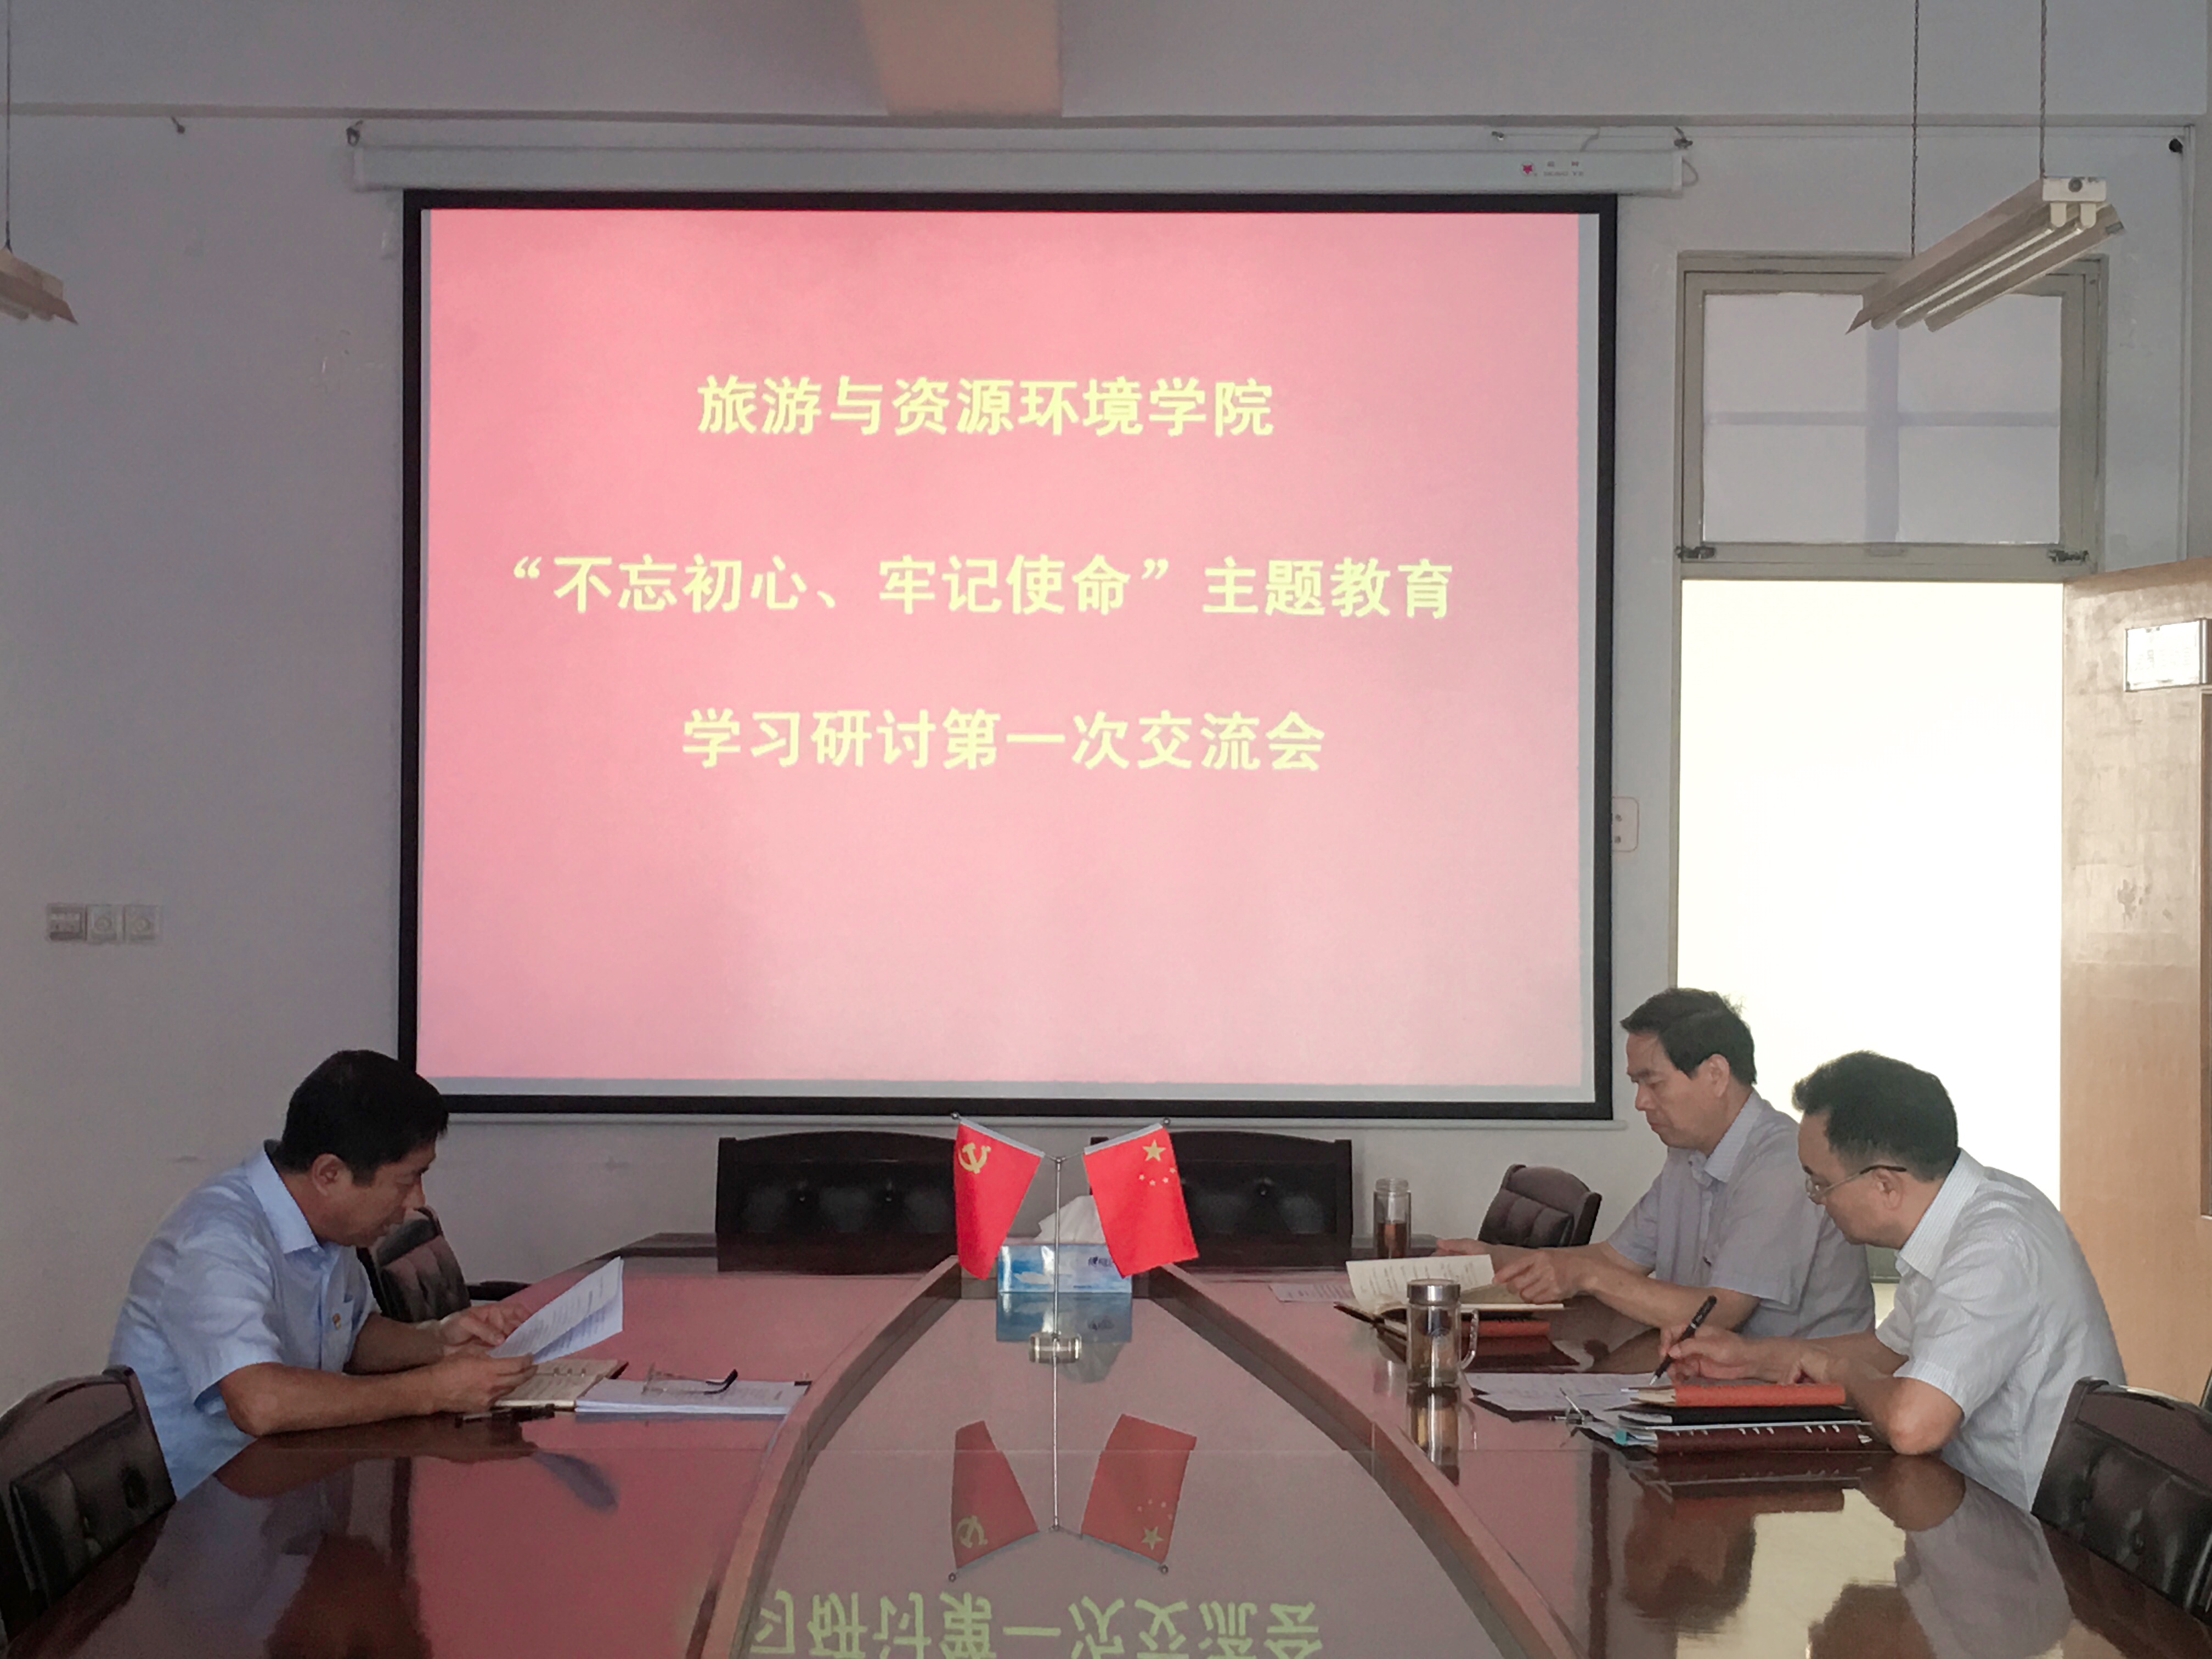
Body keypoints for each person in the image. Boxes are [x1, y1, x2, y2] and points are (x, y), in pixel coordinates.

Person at [1660, 1049, 2124, 1510]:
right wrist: (1745, 1358)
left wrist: (1838, 1372)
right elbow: (1891, 1352)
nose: (1816, 1200)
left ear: (1885, 1185)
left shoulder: (1994, 1246)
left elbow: (1912, 1425)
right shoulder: (1960, 1215)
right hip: (1970, 1505)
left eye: (1821, 1184)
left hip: (2035, 1535)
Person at [110, 1051, 534, 1496]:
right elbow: (261, 1402)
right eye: (406, 1180)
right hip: (196, 1515)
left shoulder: (324, 1226)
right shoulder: (218, 1241)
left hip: (286, 1486)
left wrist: (439, 1341)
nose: (417, 1201)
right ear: (329, 1174)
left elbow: (350, 1337)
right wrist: (431, 1391)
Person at [1440, 989, 1873, 1341]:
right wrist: (1492, 1259)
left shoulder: (1781, 1163)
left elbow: (1719, 1314)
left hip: (1795, 1402)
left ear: (1716, 1075)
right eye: (1637, 1084)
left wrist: (1587, 1276)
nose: (1641, 1102)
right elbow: (1615, 1260)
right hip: (1706, 1378)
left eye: (1653, 1083)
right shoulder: (1688, 1155)